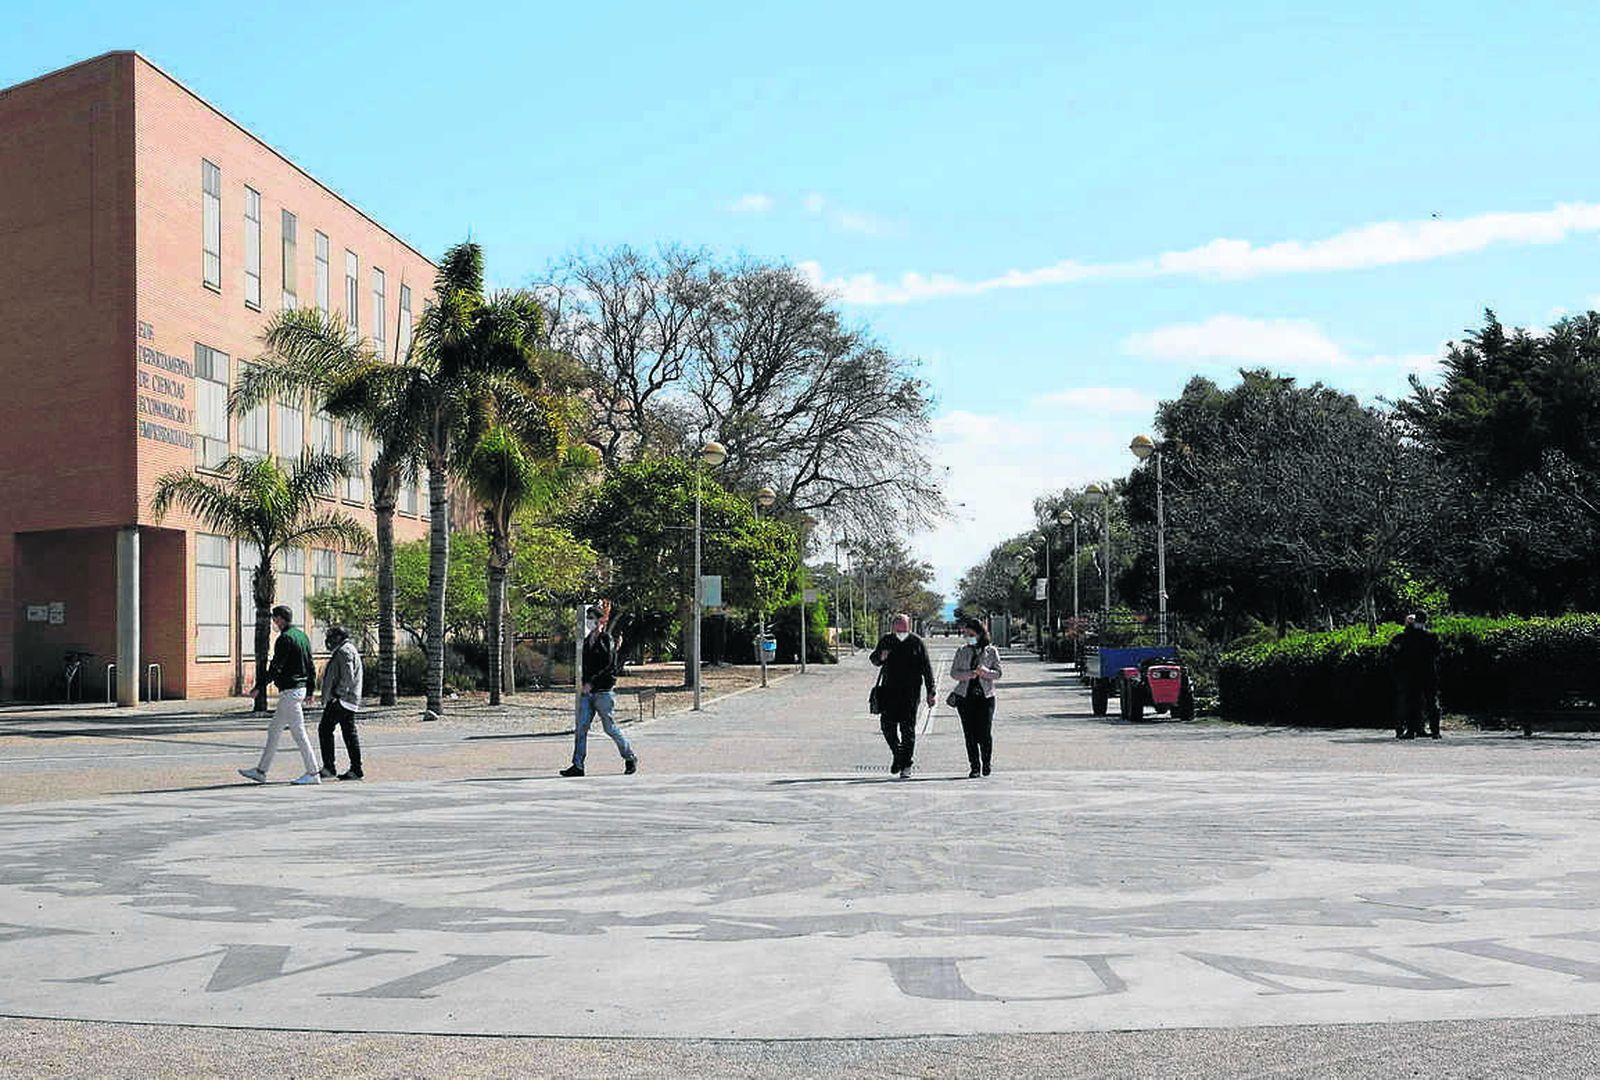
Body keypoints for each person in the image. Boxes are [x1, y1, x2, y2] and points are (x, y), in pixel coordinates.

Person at [238, 605, 320, 785]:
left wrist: (259, 687)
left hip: (290, 691)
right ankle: (261, 771)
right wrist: (310, 690)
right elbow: (310, 665)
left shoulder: (285, 639)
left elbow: (275, 667)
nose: (273, 622)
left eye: (274, 618)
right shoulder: (302, 636)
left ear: (281, 619)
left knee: (299, 733)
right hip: (297, 690)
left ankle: (313, 772)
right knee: (274, 730)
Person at [560, 600, 638, 777]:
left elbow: (609, 666)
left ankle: (629, 756)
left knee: (609, 728)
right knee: (581, 727)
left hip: (603, 692)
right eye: (588, 618)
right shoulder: (586, 641)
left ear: (600, 621)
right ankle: (578, 765)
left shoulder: (606, 640)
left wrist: (592, 683)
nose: (590, 621)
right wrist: (582, 682)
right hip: (587, 693)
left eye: (593, 618)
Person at [870, 613, 936, 779]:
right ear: (893, 628)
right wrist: (881, 656)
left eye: (905, 630)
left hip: (910, 694)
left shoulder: (916, 642)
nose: (902, 633)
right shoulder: (887, 640)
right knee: (887, 726)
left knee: (907, 730)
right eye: (899, 630)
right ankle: (898, 753)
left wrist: (931, 691)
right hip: (889, 691)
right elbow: (874, 659)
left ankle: (906, 764)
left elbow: (926, 668)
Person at [949, 618, 1003, 777]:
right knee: (970, 733)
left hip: (986, 697)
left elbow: (998, 673)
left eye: (971, 634)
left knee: (984, 732)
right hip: (965, 697)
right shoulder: (961, 651)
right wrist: (968, 675)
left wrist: (985, 672)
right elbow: (954, 673)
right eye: (965, 634)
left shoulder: (991, 651)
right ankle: (974, 766)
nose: (968, 637)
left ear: (980, 634)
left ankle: (986, 762)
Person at [316, 624, 365, 781]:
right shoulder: (346, 649)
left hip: (343, 700)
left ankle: (329, 767)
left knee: (325, 729)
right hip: (348, 699)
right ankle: (356, 769)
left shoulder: (344, 651)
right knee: (349, 733)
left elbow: (348, 677)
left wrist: (338, 694)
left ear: (338, 637)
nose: (328, 641)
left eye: (331, 637)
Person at [1389, 611, 1441, 740]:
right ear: (1426, 621)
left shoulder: (1405, 637)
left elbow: (1394, 652)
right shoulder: (1432, 637)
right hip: (1429, 674)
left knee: (1412, 702)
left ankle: (1411, 731)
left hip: (1411, 675)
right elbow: (1437, 653)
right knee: (1432, 702)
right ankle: (1435, 731)